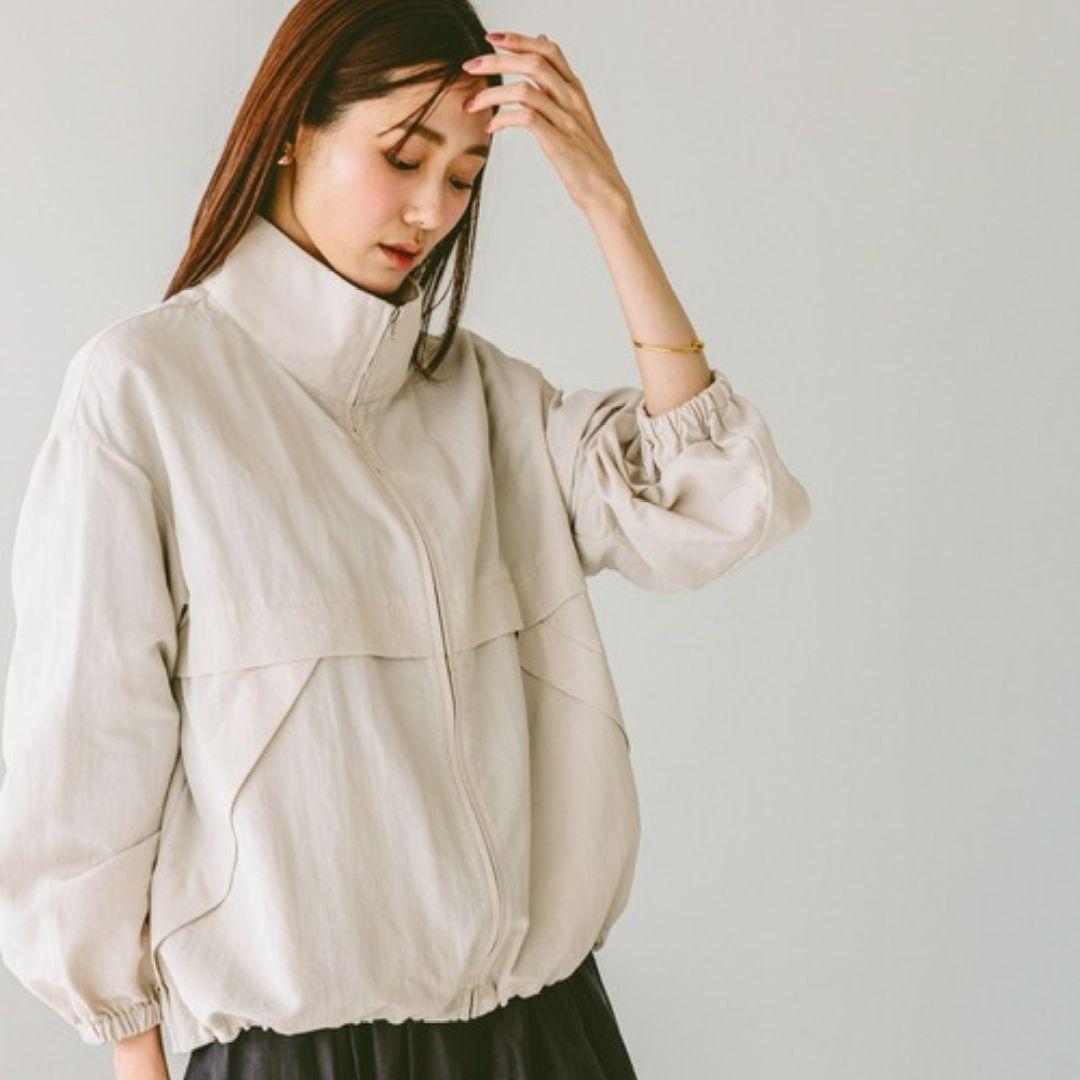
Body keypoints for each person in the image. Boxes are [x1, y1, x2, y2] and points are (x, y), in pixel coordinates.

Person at [0, 1, 812, 1077]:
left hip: (548, 1038)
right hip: (299, 1057)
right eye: (403, 156)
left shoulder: (487, 402)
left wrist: (606, 204)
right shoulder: (147, 394)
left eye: (466, 176)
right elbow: (85, 772)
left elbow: (713, 502)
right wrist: (131, 1050)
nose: (433, 209)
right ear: (295, 128)